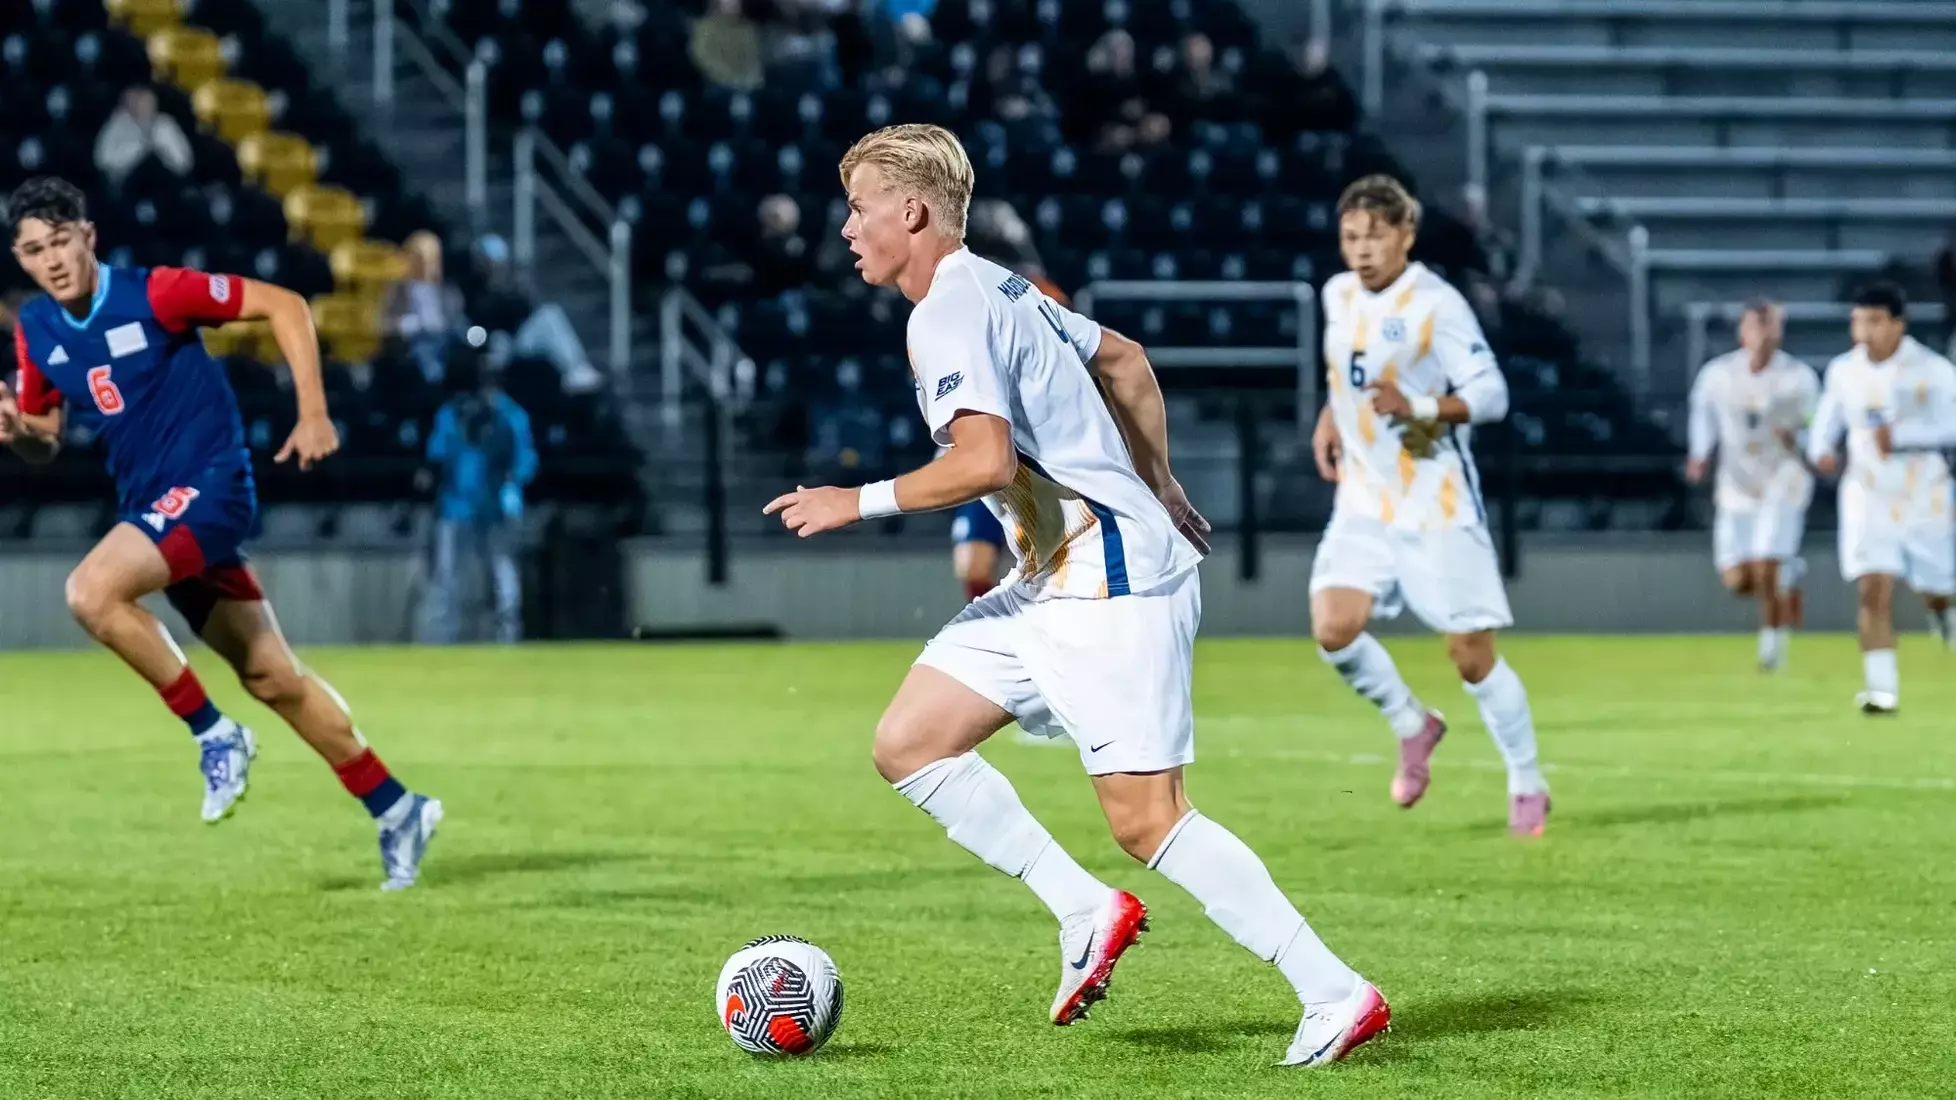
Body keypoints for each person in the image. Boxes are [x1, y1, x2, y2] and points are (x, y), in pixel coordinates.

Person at [764, 124, 1387, 1067]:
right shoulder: (1002, 284)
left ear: (912, 210)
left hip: (1108, 580)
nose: (847, 228)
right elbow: (1127, 361)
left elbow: (983, 461)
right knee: (909, 742)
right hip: (1055, 576)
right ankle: (1084, 908)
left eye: (858, 207)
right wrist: (1161, 483)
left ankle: (1335, 992)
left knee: (1146, 820)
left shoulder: (945, 310)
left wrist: (859, 500)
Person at [0, 177, 442, 890]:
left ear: (88, 235)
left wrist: (313, 411)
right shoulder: (37, 331)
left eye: (60, 241)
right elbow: (47, 437)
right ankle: (397, 807)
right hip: (157, 508)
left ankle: (214, 732)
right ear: (20, 260)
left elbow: (284, 304)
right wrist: (19, 432)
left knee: (90, 592)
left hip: (210, 487)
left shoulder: (156, 292)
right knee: (273, 677)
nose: (51, 260)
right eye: (33, 250)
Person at [1309, 174, 1549, 837]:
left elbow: (1492, 393)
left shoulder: (1436, 305)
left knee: (1471, 656)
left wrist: (1416, 407)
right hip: (1364, 499)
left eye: (1375, 236)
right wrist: (1331, 417)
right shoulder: (1336, 293)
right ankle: (1413, 725)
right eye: (1351, 237)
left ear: (1406, 236)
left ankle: (1527, 780)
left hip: (1432, 500)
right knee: (1334, 627)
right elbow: (1349, 372)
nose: (1361, 250)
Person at [1806, 283, 1956, 714]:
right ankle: (1882, 689)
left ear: (1897, 325)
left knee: (1937, 589)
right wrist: (1820, 450)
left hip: (1923, 494)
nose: (1864, 331)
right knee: (1873, 587)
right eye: (1858, 321)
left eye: (1874, 321)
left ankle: (1940, 609)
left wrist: (1904, 438)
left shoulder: (1934, 370)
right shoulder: (1843, 370)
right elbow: (1827, 418)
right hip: (1867, 492)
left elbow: (1950, 427)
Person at [1685, 301, 1820, 672]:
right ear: (1742, 331)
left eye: (1770, 326)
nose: (1762, 334)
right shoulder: (1718, 375)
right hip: (1736, 484)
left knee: (1767, 567)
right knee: (1738, 579)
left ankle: (1771, 648)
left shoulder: (1799, 378)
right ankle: (1789, 574)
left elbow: (1815, 427)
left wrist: (1799, 441)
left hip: (1783, 480)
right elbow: (1702, 414)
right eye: (1755, 325)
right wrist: (1700, 453)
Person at [419, 349, 537, 645]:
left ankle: (507, 635)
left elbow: (524, 462)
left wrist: (510, 488)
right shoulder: (452, 414)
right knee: (448, 577)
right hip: (457, 506)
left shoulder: (510, 415)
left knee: (502, 573)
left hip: (496, 506)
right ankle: (441, 639)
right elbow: (436, 456)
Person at [92, 86, 193, 199]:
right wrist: (140, 149)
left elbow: (184, 162)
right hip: (128, 186)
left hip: (165, 186)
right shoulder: (118, 124)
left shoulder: (165, 124)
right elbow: (102, 159)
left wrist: (160, 147)